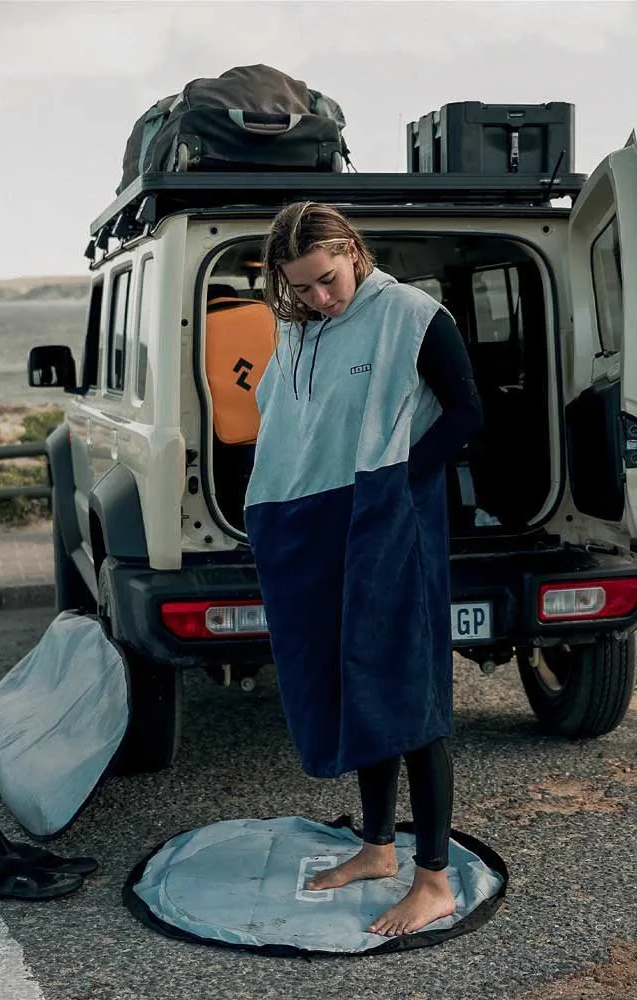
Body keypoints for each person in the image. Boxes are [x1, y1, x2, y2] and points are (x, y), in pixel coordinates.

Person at [244, 201, 483, 937]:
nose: (320, 296)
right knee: (357, 680)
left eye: (327, 278)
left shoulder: (411, 314)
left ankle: (433, 881)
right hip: (326, 526)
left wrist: (403, 479)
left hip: (392, 522)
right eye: (301, 286)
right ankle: (377, 848)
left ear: (350, 249)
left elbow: (467, 413)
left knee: (409, 690)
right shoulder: (299, 330)